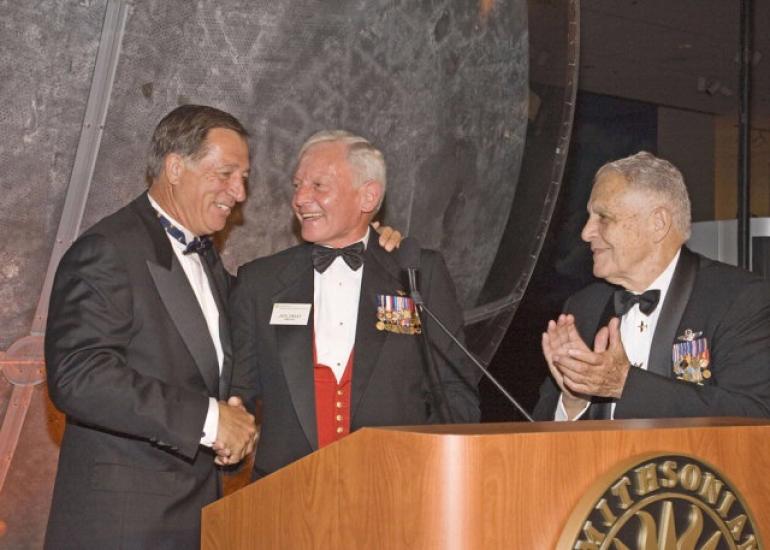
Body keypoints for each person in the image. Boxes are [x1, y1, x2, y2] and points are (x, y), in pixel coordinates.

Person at [44, 105, 258, 548]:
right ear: (175, 167)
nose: (238, 192)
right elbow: (79, 376)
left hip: (191, 519)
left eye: (243, 178)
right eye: (226, 174)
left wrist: (371, 245)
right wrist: (210, 419)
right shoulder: (108, 249)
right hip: (121, 528)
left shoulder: (210, 261)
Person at [229, 130, 480, 479]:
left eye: (318, 185)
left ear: (368, 196)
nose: (300, 198)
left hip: (394, 493)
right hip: (284, 498)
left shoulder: (417, 273)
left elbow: (454, 393)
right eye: (298, 184)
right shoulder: (260, 282)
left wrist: (425, 472)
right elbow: (237, 392)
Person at [533, 151, 770, 421]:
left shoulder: (738, 298)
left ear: (658, 223)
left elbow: (756, 415)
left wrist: (625, 384)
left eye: (603, 217)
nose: (586, 232)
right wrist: (573, 398)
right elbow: (540, 430)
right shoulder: (584, 306)